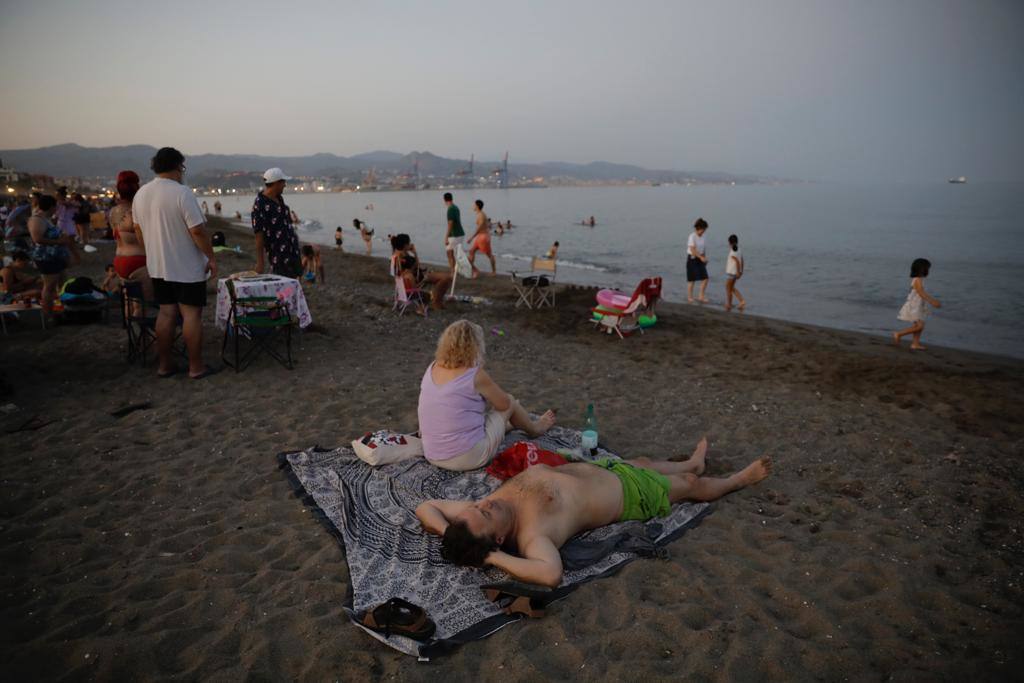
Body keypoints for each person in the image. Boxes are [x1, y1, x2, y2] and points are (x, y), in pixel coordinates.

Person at [417, 436, 772, 586]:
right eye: (487, 512)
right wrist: (492, 559)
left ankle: (695, 463)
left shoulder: (474, 516)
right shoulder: (532, 536)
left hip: (608, 470)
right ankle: (737, 480)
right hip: (629, 495)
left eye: (480, 505)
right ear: (496, 539)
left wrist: (445, 530)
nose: (486, 502)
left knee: (647, 462)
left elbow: (426, 506)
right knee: (688, 488)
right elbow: (550, 574)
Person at [418, 320, 557, 472]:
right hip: (467, 457)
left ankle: (506, 425)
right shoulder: (474, 375)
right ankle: (535, 429)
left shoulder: (433, 367)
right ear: (475, 347)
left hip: (432, 454)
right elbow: (503, 404)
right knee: (510, 401)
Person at [132, 147, 218, 380]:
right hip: (186, 266)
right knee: (191, 315)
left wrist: (151, 251)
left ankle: (165, 365)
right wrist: (210, 256)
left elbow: (138, 230)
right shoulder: (182, 193)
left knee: (166, 313)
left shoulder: (141, 194)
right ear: (178, 166)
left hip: (158, 265)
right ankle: (196, 367)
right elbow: (198, 231)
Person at [28, 194, 76, 316]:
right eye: (56, 206)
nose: (56, 209)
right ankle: (47, 313)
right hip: (46, 258)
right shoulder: (37, 219)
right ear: (51, 206)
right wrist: (59, 241)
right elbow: (37, 238)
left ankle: (63, 309)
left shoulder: (46, 219)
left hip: (55, 257)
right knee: (49, 287)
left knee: (63, 283)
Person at [109, 170, 153, 302]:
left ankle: (130, 321)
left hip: (119, 260)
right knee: (149, 304)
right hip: (139, 262)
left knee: (132, 303)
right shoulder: (137, 212)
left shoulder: (112, 212)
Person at [251, 168, 301, 278]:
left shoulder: (279, 198)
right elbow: (258, 235)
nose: (285, 185)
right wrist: (260, 262)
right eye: (283, 182)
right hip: (278, 256)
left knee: (294, 286)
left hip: (292, 251)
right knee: (283, 290)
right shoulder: (260, 204)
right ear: (276, 183)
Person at [390, 233, 452, 311]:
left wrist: (414, 253)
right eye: (409, 243)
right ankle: (436, 302)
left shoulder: (399, 253)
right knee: (446, 278)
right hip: (419, 280)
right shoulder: (401, 256)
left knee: (446, 278)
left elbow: (415, 267)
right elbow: (414, 267)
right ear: (405, 245)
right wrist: (415, 253)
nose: (410, 244)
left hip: (420, 276)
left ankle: (436, 299)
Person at [893, 258, 941, 350]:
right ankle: (899, 333)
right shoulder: (917, 280)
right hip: (915, 306)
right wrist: (932, 301)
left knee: (919, 325)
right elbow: (921, 292)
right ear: (922, 269)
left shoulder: (919, 279)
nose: (928, 270)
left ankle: (915, 344)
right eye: (927, 268)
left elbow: (920, 293)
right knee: (920, 326)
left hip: (919, 305)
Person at [468, 199, 496, 277]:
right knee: (471, 251)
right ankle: (474, 270)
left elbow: (479, 228)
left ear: (477, 206)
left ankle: (494, 272)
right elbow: (488, 224)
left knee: (489, 255)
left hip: (483, 238)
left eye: (474, 205)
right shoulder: (481, 214)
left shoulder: (481, 215)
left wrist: (471, 238)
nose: (473, 206)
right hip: (480, 236)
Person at [686, 217, 710, 303]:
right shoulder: (692, 236)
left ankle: (701, 296)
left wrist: (704, 259)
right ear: (699, 228)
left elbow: (703, 249)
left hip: (700, 259)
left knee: (705, 278)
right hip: (692, 259)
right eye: (703, 229)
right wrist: (701, 257)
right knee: (691, 280)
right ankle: (689, 297)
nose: (704, 231)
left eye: (705, 229)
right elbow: (692, 249)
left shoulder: (703, 237)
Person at [443, 192, 465, 271]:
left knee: (449, 253)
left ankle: (453, 271)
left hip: (454, 235)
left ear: (444, 200)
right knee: (458, 254)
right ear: (452, 198)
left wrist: (446, 237)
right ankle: (457, 270)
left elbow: (450, 223)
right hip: (460, 233)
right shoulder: (456, 207)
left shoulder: (450, 209)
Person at [724, 234, 745, 312]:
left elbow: (737, 262)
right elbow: (742, 260)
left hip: (732, 273)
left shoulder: (732, 251)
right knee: (732, 288)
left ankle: (729, 304)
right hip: (735, 273)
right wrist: (741, 271)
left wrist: (738, 272)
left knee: (728, 288)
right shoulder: (739, 250)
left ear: (730, 243)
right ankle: (742, 301)